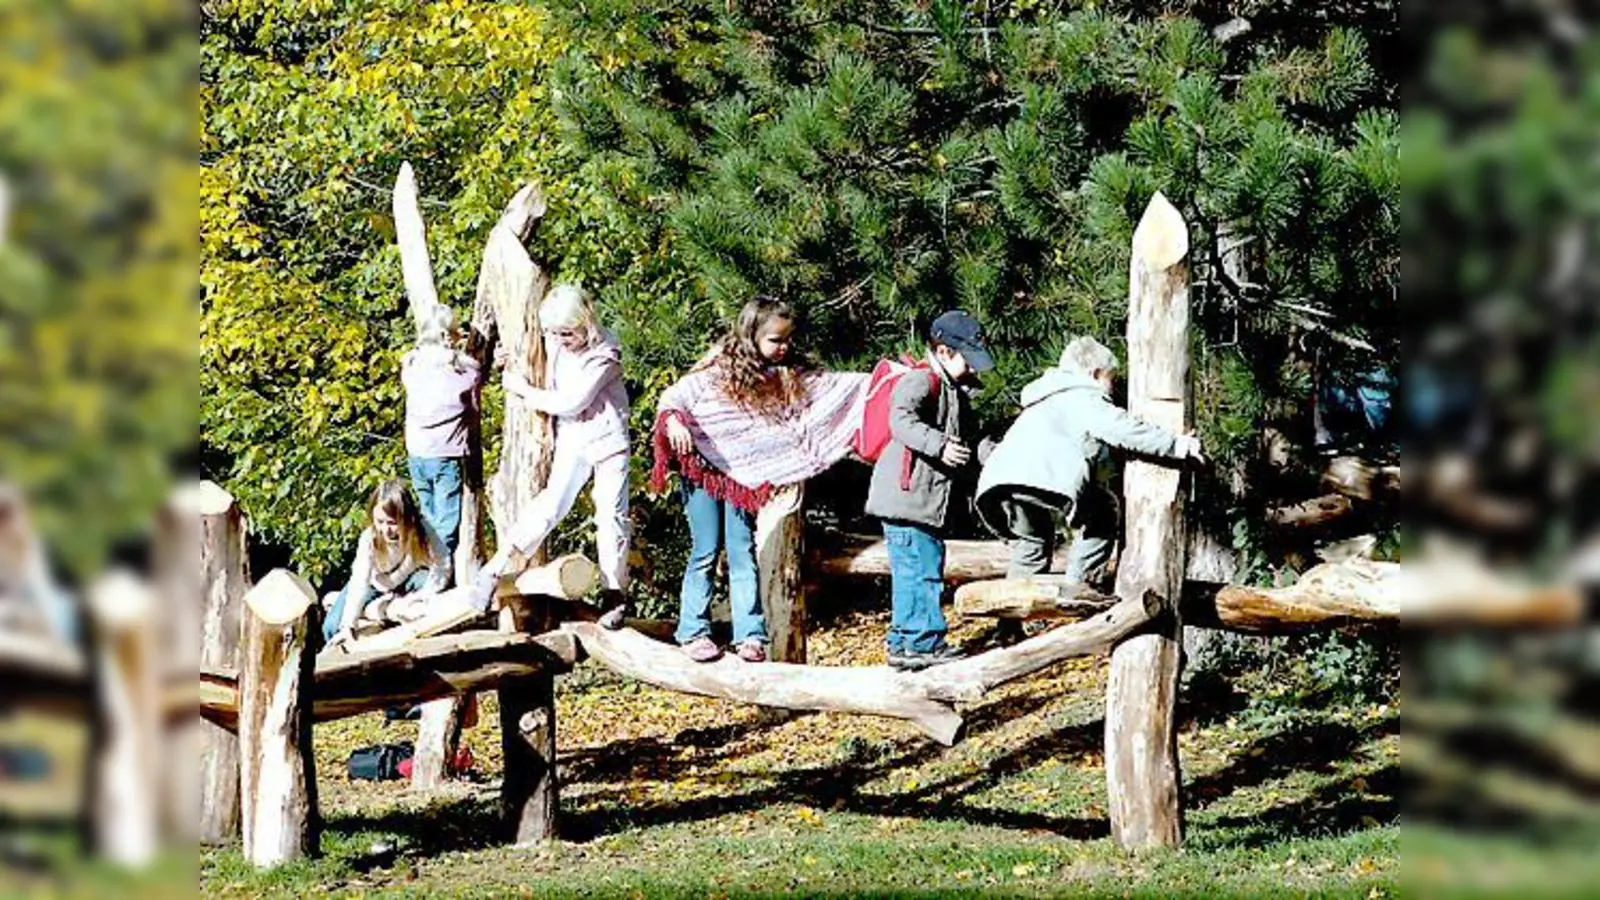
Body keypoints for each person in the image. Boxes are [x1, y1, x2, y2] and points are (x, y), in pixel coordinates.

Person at [652, 296, 869, 663]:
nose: (783, 347)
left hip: (741, 478)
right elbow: (674, 397)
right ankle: (692, 630)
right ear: (752, 335)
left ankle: (750, 635)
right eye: (775, 340)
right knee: (706, 549)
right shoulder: (717, 369)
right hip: (702, 470)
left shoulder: (788, 376)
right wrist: (673, 421)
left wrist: (881, 382)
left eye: (788, 339)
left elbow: (835, 387)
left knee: (742, 551)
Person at [974, 335, 1204, 589]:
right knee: (1104, 514)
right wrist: (1178, 444)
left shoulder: (1041, 399)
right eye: (1111, 379)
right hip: (1039, 480)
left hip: (998, 482)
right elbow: (1124, 429)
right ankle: (1079, 589)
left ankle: (1009, 620)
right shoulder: (1083, 396)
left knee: (1032, 542)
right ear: (1095, 373)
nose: (1113, 388)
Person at [463, 284, 632, 625]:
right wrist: (509, 362)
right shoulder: (553, 339)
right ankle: (495, 569)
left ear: (585, 321)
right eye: (554, 333)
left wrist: (522, 389)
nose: (559, 340)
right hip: (573, 436)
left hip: (608, 440)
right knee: (550, 505)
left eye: (566, 333)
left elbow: (571, 401)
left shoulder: (606, 353)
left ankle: (614, 593)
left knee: (610, 514)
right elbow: (531, 356)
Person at [864, 311, 996, 670]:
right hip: (908, 498)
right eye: (969, 362)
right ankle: (924, 642)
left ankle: (904, 642)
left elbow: (972, 439)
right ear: (944, 351)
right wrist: (938, 445)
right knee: (921, 571)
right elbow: (900, 420)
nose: (974, 370)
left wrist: (997, 458)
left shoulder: (956, 392)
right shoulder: (921, 382)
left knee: (914, 569)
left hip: (920, 501)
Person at [323, 479, 451, 646]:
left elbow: (442, 563)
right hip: (375, 584)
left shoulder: (423, 530)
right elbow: (359, 581)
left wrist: (426, 594)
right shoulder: (369, 539)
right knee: (332, 627)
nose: (386, 530)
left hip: (408, 578)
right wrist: (348, 625)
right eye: (380, 522)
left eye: (392, 523)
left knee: (427, 583)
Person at [402, 304, 481, 560]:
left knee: (427, 515)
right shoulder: (455, 368)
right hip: (444, 454)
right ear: (447, 337)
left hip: (416, 453)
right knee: (447, 522)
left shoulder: (412, 364)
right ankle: (435, 568)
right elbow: (475, 375)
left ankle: (419, 560)